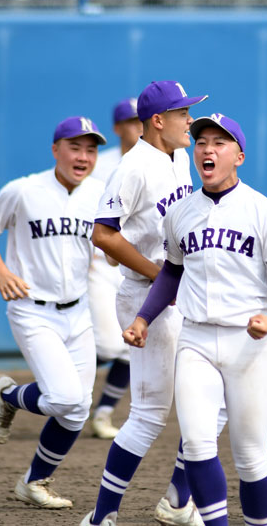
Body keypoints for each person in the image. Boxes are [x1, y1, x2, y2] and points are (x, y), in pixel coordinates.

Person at [123, 113, 267, 526]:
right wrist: (144, 318)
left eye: (220, 143)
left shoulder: (264, 211)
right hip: (195, 340)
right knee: (199, 446)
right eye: (202, 141)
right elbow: (171, 271)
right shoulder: (180, 212)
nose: (208, 149)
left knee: (251, 457)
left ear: (238, 155)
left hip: (248, 343)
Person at [80, 80, 207, 526]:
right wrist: (159, 275)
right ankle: (102, 516)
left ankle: (177, 500)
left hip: (181, 294)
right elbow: (103, 233)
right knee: (151, 414)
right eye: (183, 113)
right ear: (158, 121)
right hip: (145, 293)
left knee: (209, 401)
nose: (190, 120)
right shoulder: (134, 167)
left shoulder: (180, 158)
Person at [0, 116, 107, 508]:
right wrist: (1, 271)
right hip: (33, 310)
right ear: (55, 150)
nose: (82, 156)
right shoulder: (24, 190)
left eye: (91, 149)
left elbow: (110, 241)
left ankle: (34, 482)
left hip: (79, 312)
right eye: (74, 146)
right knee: (66, 398)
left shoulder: (99, 194)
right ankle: (10, 395)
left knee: (78, 409)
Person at [88, 98, 143, 439]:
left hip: (137, 261)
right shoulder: (100, 164)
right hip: (101, 263)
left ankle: (103, 413)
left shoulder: (162, 162)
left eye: (142, 119)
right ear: (117, 127)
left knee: (131, 344)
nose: (137, 126)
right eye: (130, 120)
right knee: (107, 346)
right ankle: (55, 386)